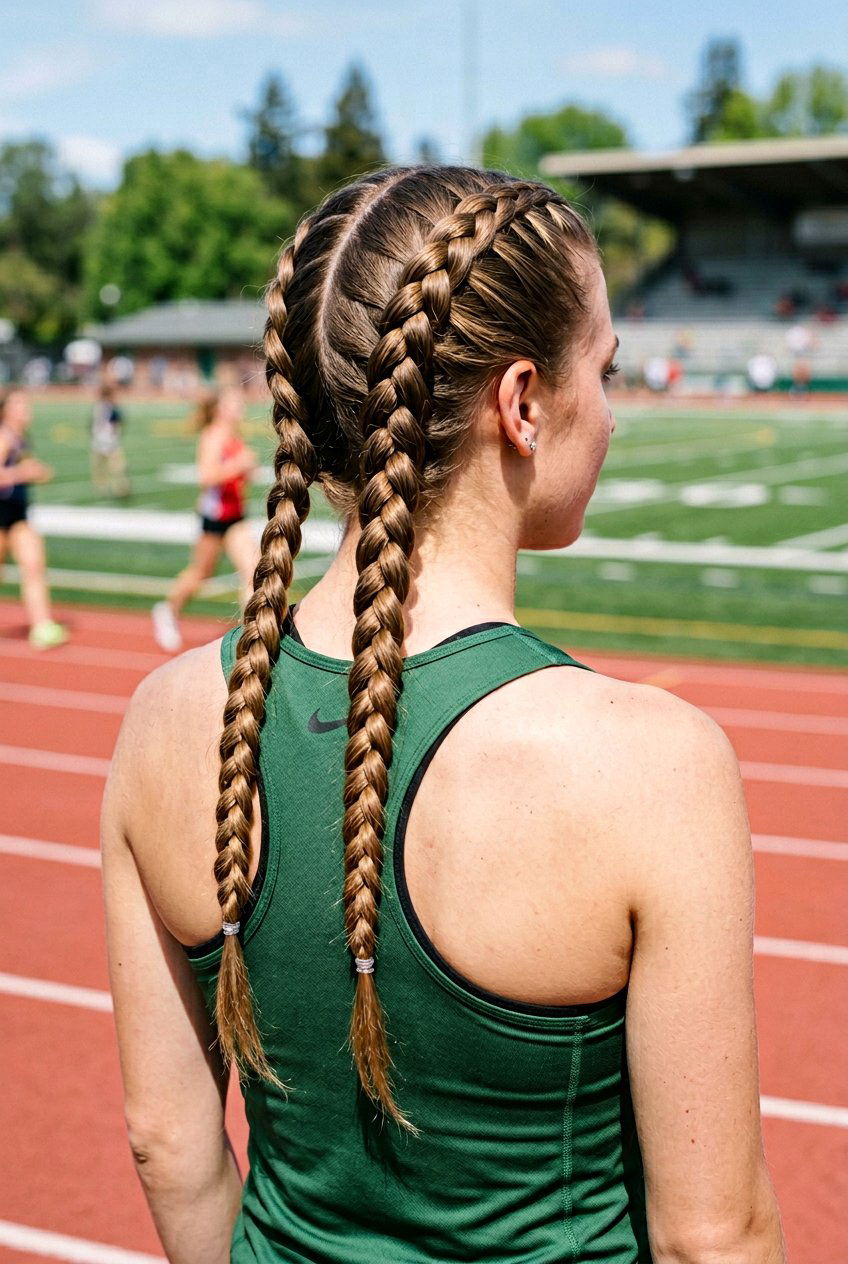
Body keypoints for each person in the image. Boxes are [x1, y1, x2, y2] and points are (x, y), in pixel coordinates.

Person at [103, 168, 785, 1264]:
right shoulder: (648, 764)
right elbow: (714, 1234)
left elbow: (169, 1144)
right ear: (521, 403)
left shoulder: (166, 717)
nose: (610, 410)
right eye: (601, 372)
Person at [151, 387, 258, 652]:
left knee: (253, 571)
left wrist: (246, 470)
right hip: (215, 517)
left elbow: (237, 473)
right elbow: (206, 476)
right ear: (221, 408)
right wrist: (239, 466)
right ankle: (168, 609)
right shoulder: (212, 437)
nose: (241, 406)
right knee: (201, 573)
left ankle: (253, 635)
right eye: (235, 402)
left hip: (236, 516)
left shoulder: (234, 435)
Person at [0, 389, 67, 649]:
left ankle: (42, 625)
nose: (27, 408)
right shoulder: (4, 435)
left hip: (17, 514)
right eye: (20, 403)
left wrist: (37, 472)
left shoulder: (20, 437)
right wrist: (22, 473)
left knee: (34, 565)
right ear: (6, 409)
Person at [90, 382, 130, 498]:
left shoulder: (97, 406)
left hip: (98, 440)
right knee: (118, 467)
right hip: (109, 440)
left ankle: (101, 489)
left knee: (99, 467)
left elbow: (92, 424)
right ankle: (121, 488)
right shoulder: (112, 407)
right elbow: (117, 423)